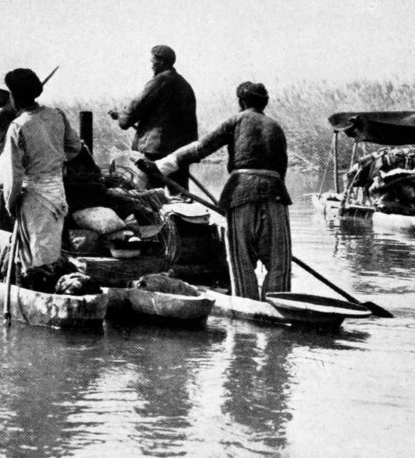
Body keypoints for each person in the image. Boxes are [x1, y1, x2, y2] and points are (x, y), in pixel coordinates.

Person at [143, 81, 290, 301]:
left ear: (241, 102)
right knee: (279, 263)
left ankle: (246, 309)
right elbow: (281, 168)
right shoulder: (276, 127)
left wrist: (161, 166)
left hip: (241, 192)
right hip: (275, 195)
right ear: (264, 103)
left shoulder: (237, 120)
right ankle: (279, 306)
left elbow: (201, 148)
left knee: (242, 262)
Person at [3, 68, 82, 271]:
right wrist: (55, 161)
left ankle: (39, 283)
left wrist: (10, 203)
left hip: (34, 197)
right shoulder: (56, 115)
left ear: (14, 97)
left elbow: (14, 175)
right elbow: (75, 147)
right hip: (57, 192)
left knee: (38, 254)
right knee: (48, 247)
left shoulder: (18, 126)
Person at [110, 44, 198, 190]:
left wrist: (121, 115)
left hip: (157, 153)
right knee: (180, 196)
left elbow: (135, 109)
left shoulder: (160, 81)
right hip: (181, 154)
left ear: (161, 62)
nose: (151, 66)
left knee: (150, 196)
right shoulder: (185, 85)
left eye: (152, 62)